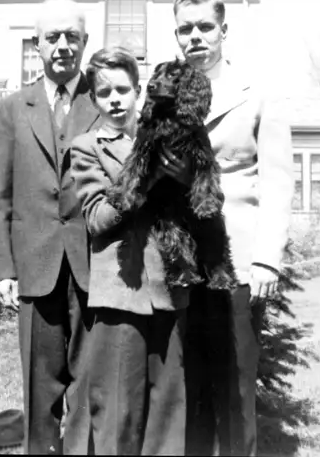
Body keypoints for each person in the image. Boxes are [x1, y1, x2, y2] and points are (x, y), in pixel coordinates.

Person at [163, 0, 294, 455]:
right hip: (181, 263)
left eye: (204, 27)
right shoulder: (165, 92)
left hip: (237, 258)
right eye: (185, 28)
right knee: (190, 386)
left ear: (223, 30)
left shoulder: (257, 94)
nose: (194, 37)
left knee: (236, 386)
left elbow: (279, 182)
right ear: (175, 33)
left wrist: (267, 261)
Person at [0, 0, 99, 454]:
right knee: (40, 385)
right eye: (52, 37)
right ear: (36, 45)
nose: (62, 46)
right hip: (34, 264)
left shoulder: (105, 101)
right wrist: (3, 270)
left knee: (89, 383)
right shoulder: (16, 107)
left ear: (85, 42)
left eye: (71, 36)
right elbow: (1, 194)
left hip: (93, 264)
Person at [70, 47, 190, 454]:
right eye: (105, 93)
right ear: (93, 99)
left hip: (169, 289)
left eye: (123, 89)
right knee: (119, 408)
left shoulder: (168, 139)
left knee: (167, 408)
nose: (115, 100)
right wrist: (147, 176)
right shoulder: (87, 147)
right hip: (120, 292)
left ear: (139, 91)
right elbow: (98, 219)